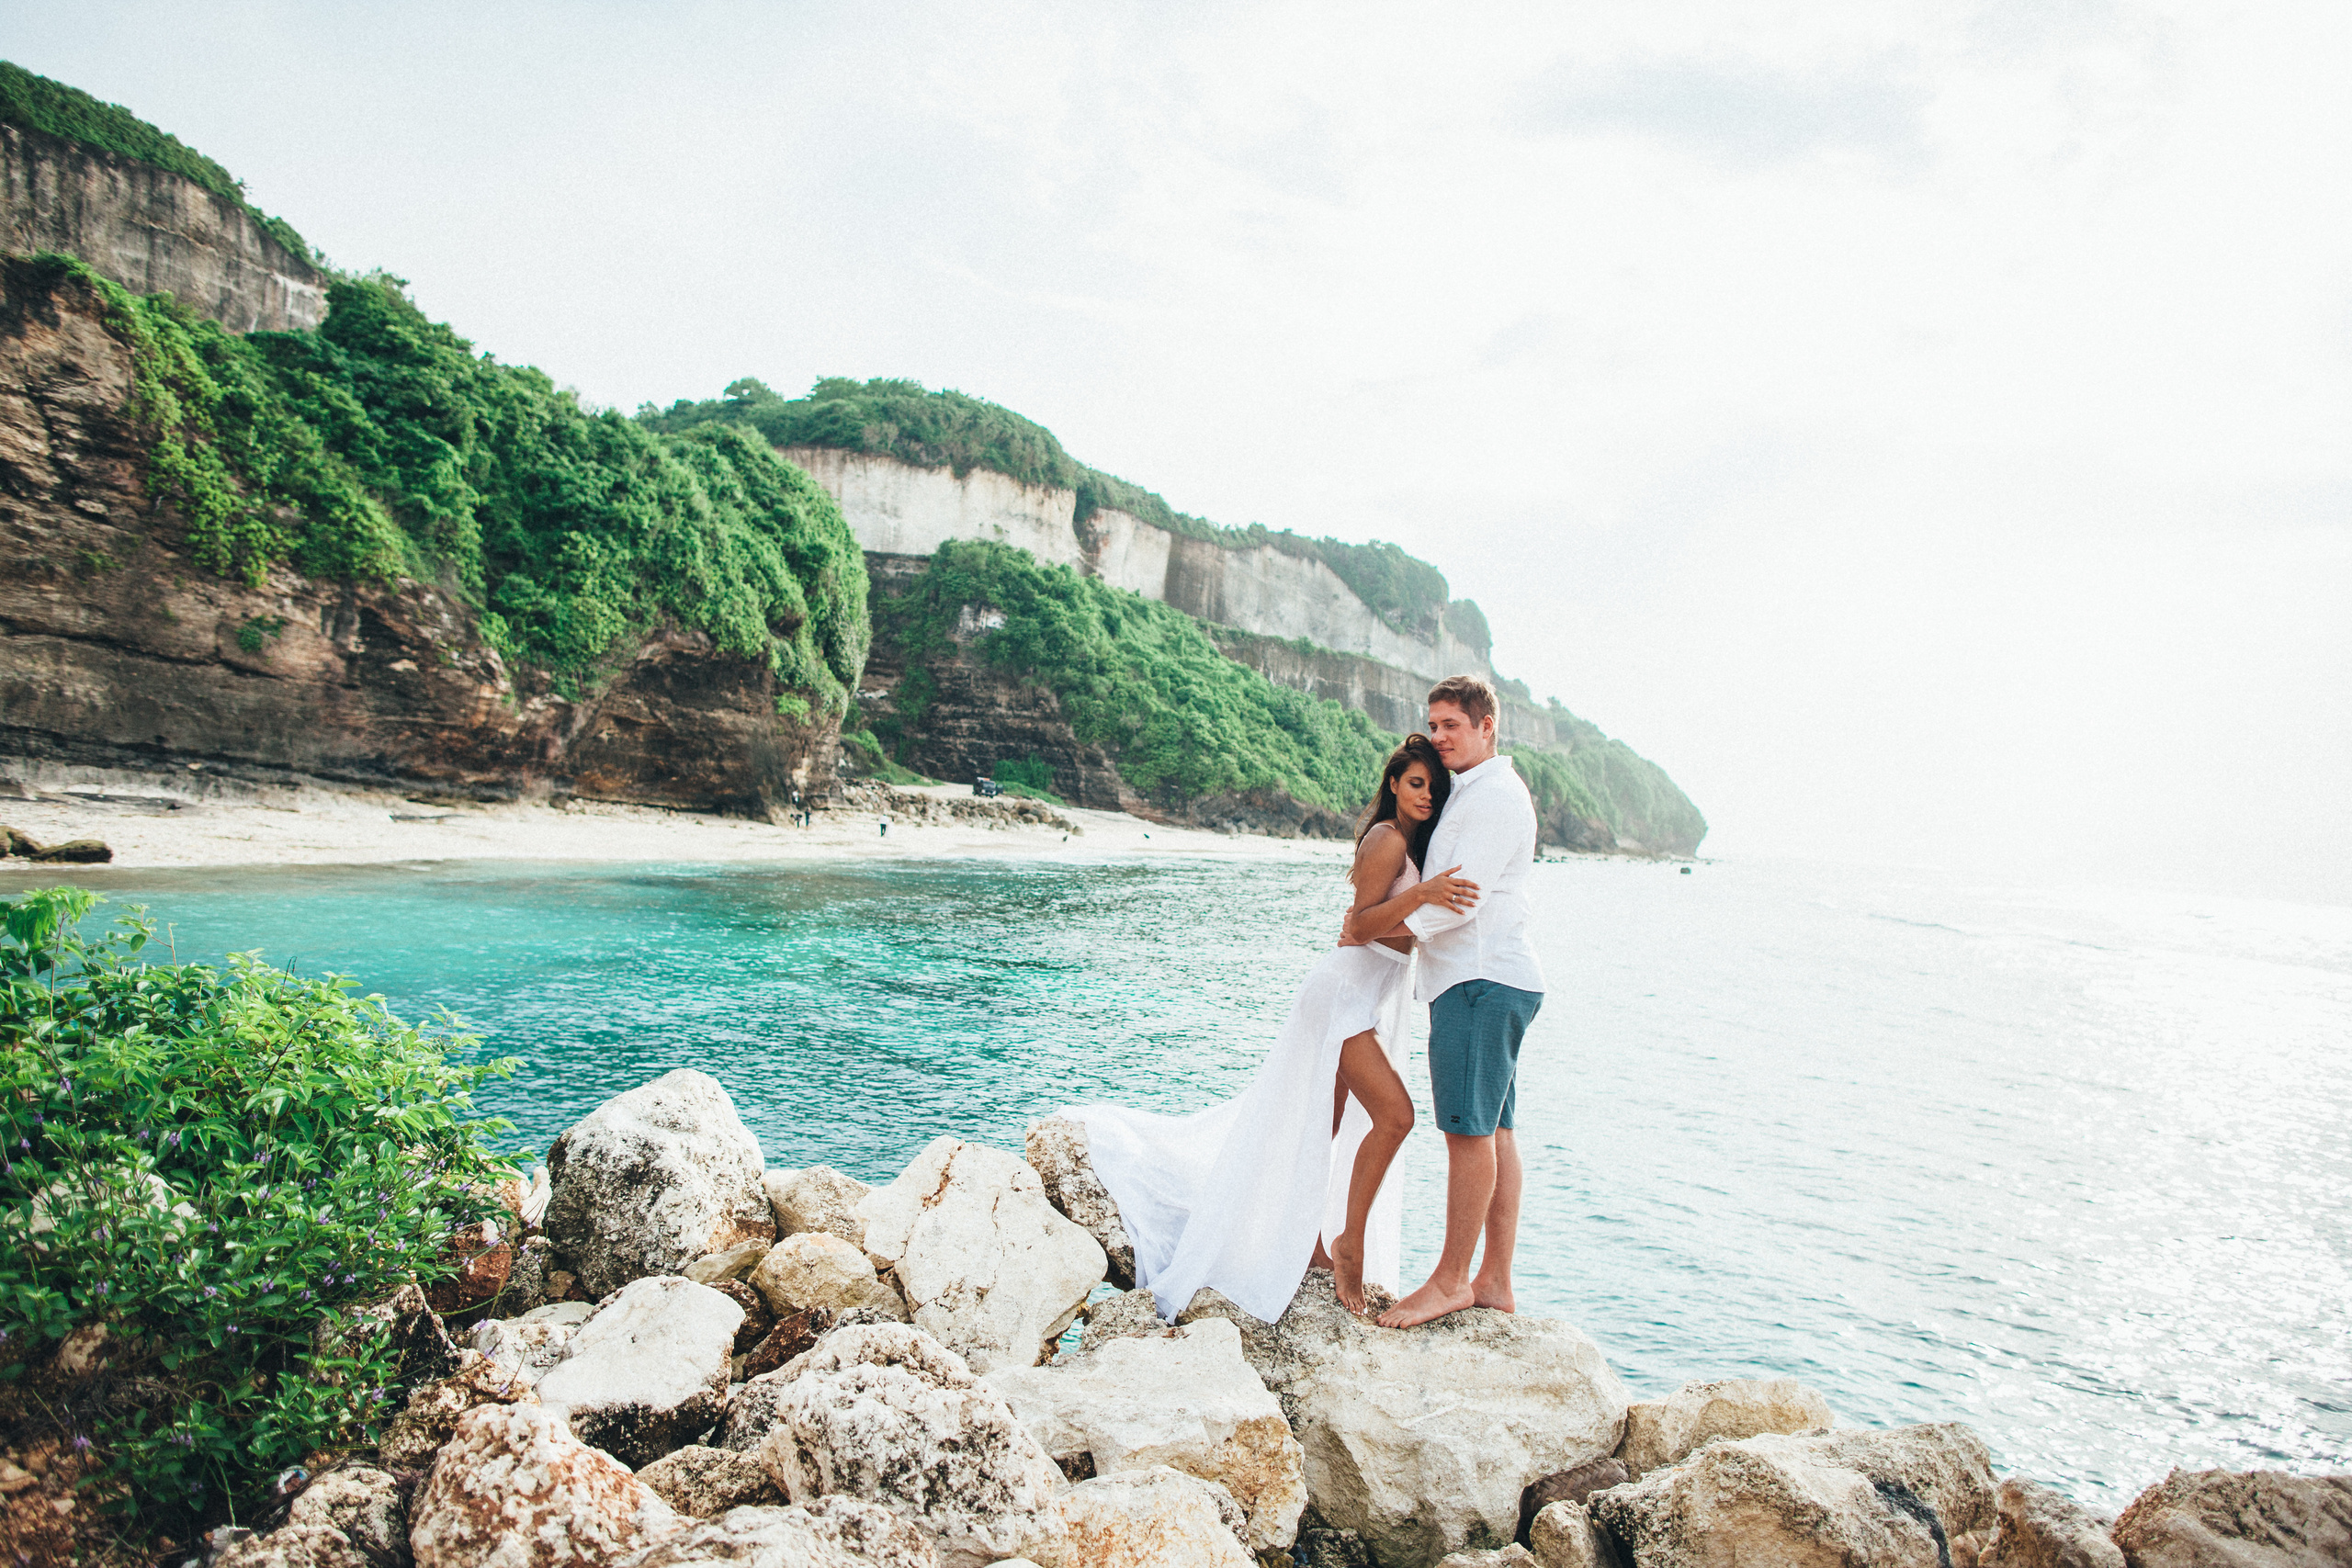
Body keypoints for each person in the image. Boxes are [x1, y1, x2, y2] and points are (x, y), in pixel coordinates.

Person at [1069, 735, 1481, 1322]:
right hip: (1343, 993)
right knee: (1396, 1117)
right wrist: (1424, 893)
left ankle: (1312, 1244)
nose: (1425, 796)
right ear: (1394, 783)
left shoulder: (1413, 844)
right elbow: (1359, 926)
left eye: (1435, 789)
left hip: (1367, 993)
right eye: (1416, 783)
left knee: (1325, 1125)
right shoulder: (1388, 839)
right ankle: (1347, 1244)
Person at [1373, 675, 1546, 1329]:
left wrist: (1370, 932)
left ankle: (1451, 1280)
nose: (1439, 735)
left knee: (1468, 1133)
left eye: (1451, 724)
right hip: (1493, 977)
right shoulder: (1474, 793)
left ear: (1485, 726)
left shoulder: (1493, 797)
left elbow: (1456, 900)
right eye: (1433, 723)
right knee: (1496, 1131)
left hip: (1478, 980)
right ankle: (1495, 1280)